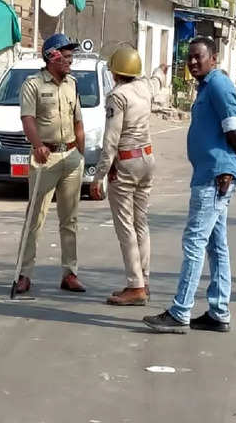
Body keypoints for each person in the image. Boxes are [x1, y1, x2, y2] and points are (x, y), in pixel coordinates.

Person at [143, 36, 236, 334]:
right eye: (190, 57)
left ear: (214, 58)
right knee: (215, 245)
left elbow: (235, 132)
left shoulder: (219, 85)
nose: (193, 62)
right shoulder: (206, 87)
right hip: (213, 175)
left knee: (194, 243)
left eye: (199, 56)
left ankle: (180, 311)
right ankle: (219, 311)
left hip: (215, 177)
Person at [14, 33, 86, 294]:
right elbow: (27, 119)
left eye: (71, 56)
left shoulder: (73, 85)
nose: (70, 60)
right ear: (51, 56)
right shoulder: (33, 84)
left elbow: (78, 121)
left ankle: (70, 273)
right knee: (35, 217)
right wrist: (37, 145)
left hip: (71, 157)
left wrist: (81, 152)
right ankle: (24, 273)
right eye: (65, 56)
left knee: (70, 220)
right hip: (45, 157)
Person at [90, 46, 154, 306]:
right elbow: (157, 80)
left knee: (125, 225)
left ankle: (135, 286)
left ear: (115, 72)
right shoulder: (144, 89)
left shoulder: (117, 96)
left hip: (126, 162)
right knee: (141, 223)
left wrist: (98, 176)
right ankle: (143, 279)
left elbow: (111, 140)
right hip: (147, 158)